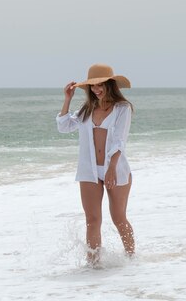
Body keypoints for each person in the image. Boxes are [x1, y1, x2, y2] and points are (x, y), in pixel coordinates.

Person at [56, 63, 135, 266]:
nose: (96, 89)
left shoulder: (122, 109)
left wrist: (111, 169)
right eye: (92, 86)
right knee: (92, 220)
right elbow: (64, 127)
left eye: (100, 85)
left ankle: (131, 259)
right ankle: (93, 266)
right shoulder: (86, 109)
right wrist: (67, 99)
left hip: (115, 169)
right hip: (89, 170)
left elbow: (119, 141)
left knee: (119, 218)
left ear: (110, 84)